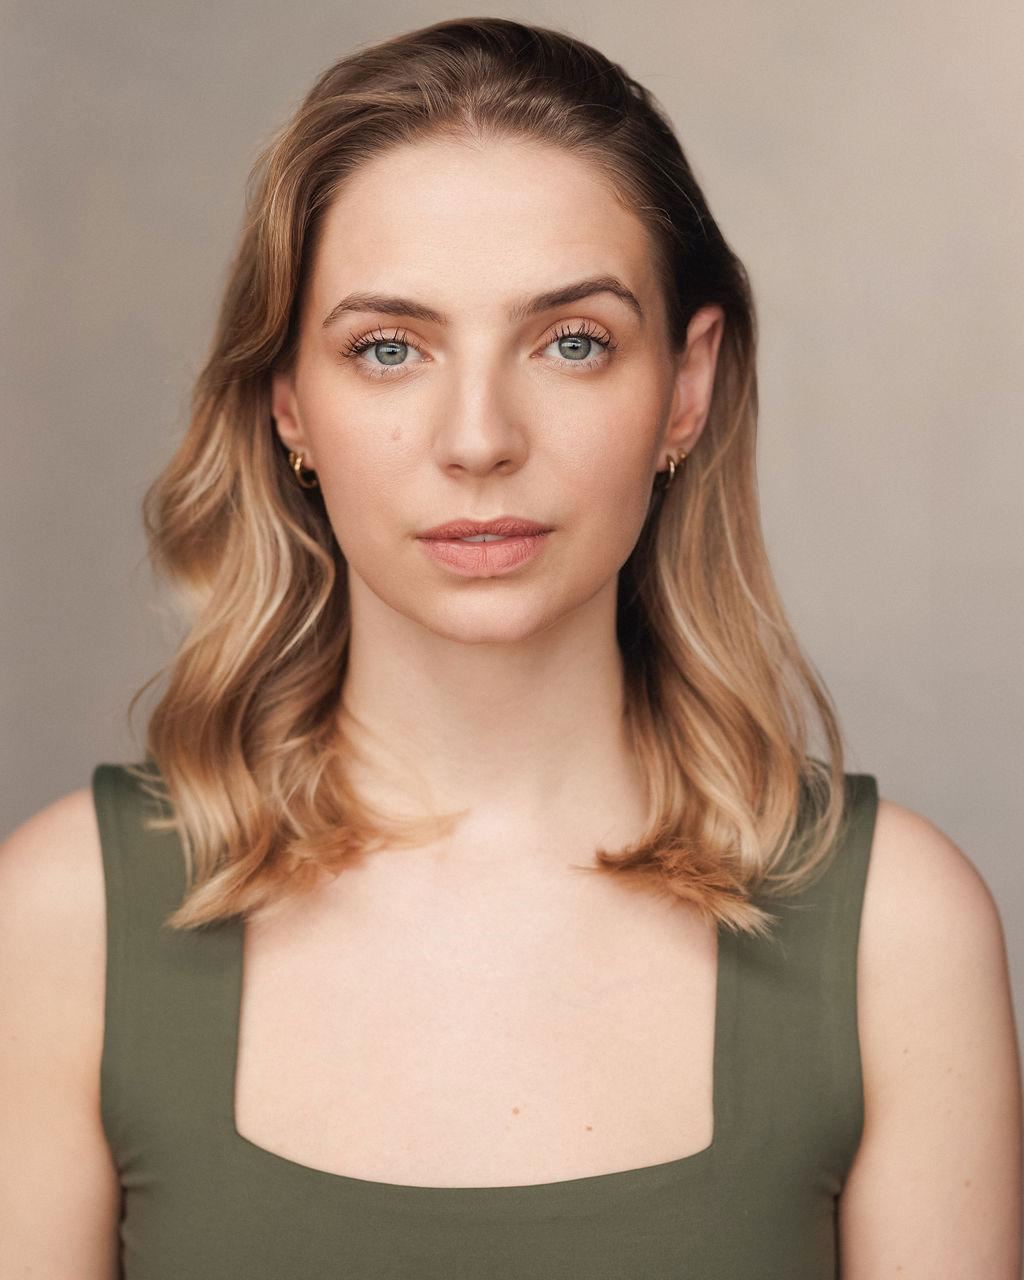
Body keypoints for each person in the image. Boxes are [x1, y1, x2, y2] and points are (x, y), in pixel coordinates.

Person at [1, 15, 1020, 1278]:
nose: (478, 438)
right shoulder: (65, 923)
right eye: (388, 348)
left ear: (685, 386)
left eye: (570, 341)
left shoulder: (894, 934)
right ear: (287, 406)